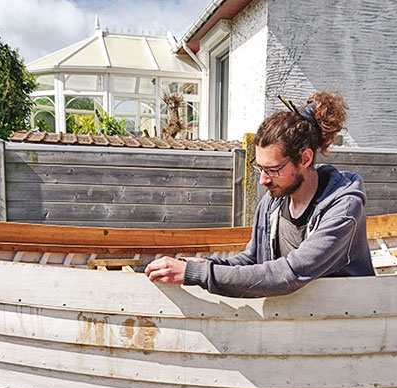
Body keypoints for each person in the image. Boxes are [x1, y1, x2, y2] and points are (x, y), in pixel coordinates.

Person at [145, 92, 374, 297]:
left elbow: (290, 273)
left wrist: (199, 273)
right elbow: (253, 260)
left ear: (305, 159)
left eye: (273, 170)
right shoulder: (272, 202)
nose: (263, 180)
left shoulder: (343, 208)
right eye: (260, 168)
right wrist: (207, 263)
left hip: (345, 319)